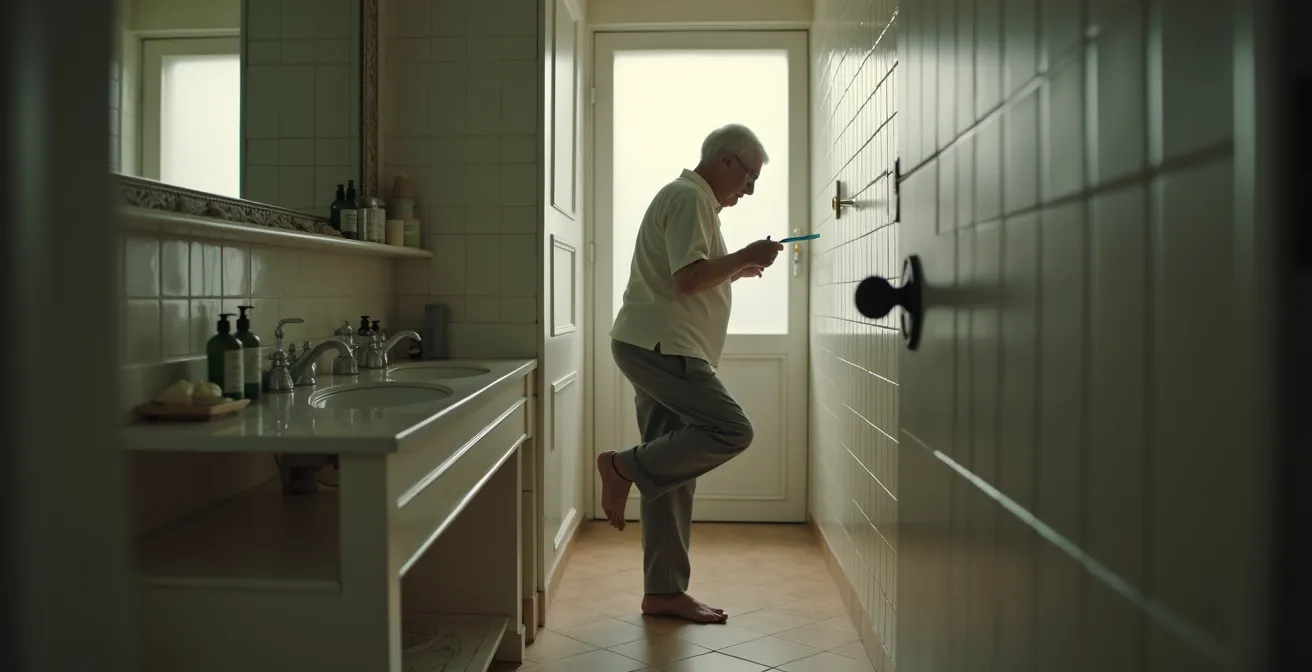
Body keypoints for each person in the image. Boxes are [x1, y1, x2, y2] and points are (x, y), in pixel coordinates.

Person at [596, 123, 785, 624]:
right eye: (750, 176)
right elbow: (688, 280)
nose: (750, 189)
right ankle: (621, 467)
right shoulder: (688, 198)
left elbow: (688, 276)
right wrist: (746, 255)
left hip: (658, 345)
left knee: (670, 472)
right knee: (731, 429)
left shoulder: (693, 202)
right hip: (664, 349)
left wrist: (737, 269)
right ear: (727, 161)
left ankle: (663, 592)